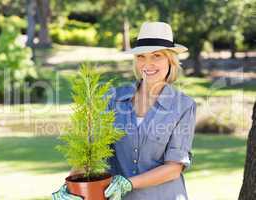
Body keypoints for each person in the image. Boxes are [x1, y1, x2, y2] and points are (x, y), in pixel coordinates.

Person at [52, 21, 197, 200]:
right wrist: (69, 186)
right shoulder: (112, 99)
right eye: (141, 57)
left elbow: (174, 168)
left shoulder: (183, 106)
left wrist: (129, 183)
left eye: (156, 55)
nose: (147, 64)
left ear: (171, 60)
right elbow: (91, 152)